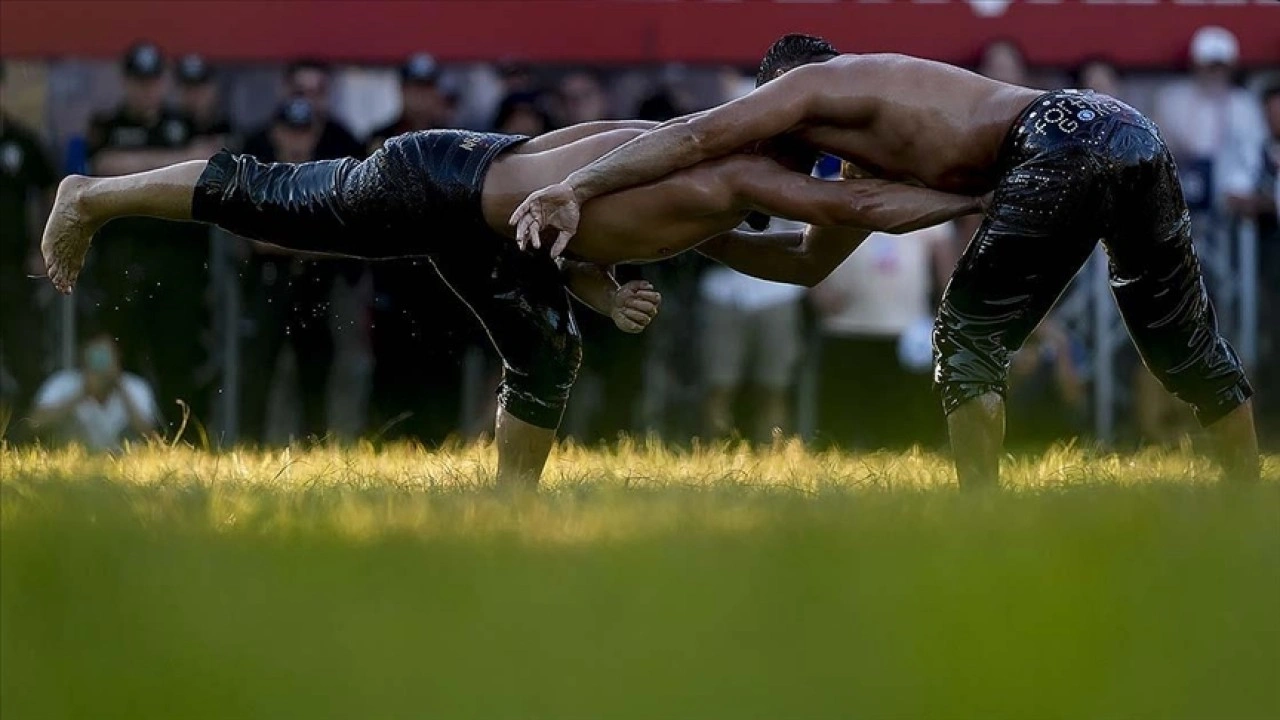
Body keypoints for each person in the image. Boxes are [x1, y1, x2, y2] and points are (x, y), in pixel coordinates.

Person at [41, 116, 984, 486]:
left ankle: (507, 512)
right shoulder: (728, 167)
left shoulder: (704, 176)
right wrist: (976, 193)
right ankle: (93, 195)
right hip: (439, 183)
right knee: (275, 200)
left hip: (486, 213)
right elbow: (848, 212)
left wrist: (601, 294)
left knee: (547, 352)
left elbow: (796, 260)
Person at [509, 33, 1259, 488]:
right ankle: (1244, 493)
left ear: (780, 94)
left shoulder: (814, 84)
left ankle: (979, 513)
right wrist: (703, 237)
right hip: (1124, 130)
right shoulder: (865, 152)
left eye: (767, 124)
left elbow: (696, 135)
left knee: (966, 336)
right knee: (1175, 328)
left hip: (1053, 136)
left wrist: (577, 186)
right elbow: (808, 263)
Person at [86, 41, 215, 432]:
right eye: (139, 81)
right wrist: (172, 162)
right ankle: (117, 441)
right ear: (126, 82)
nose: (146, 89)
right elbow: (101, 165)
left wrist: (136, 166)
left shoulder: (185, 123)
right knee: (119, 355)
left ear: (164, 82)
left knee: (178, 357)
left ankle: (183, 439)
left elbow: (205, 167)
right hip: (121, 260)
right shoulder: (106, 125)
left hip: (178, 261)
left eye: (153, 80)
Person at [366, 54, 475, 444]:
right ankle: (390, 446)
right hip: (395, 276)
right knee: (392, 375)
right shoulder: (381, 140)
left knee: (444, 375)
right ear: (401, 91)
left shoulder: (457, 141)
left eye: (426, 89)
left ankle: (444, 448)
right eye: (414, 89)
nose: (420, 98)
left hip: (446, 279)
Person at [808, 220, 952, 450]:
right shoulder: (835, 203)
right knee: (839, 424)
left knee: (902, 421)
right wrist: (818, 291)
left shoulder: (924, 206)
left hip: (907, 333)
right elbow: (810, 243)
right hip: (844, 328)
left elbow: (945, 263)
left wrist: (947, 313)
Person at [0, 61, 58, 428]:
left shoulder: (23, 143)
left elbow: (53, 193)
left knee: (26, 357)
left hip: (12, 270)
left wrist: (44, 247)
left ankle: (25, 434)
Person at [29, 334, 157, 451]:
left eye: (105, 356)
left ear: (117, 356)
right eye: (96, 356)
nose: (101, 363)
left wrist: (119, 385)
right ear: (83, 357)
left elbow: (151, 436)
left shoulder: (136, 386)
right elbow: (33, 423)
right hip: (75, 460)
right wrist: (82, 393)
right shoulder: (62, 383)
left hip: (123, 462)